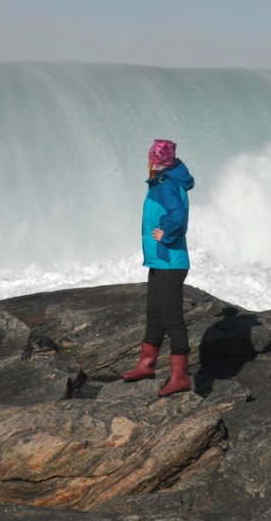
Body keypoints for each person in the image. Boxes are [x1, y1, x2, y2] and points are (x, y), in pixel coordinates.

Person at [120, 139, 195, 397]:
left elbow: (178, 218)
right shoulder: (161, 183)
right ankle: (146, 366)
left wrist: (166, 235)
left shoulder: (168, 186)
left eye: (150, 157)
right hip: (159, 260)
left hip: (170, 261)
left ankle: (180, 377)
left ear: (155, 160)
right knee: (154, 314)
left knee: (173, 320)